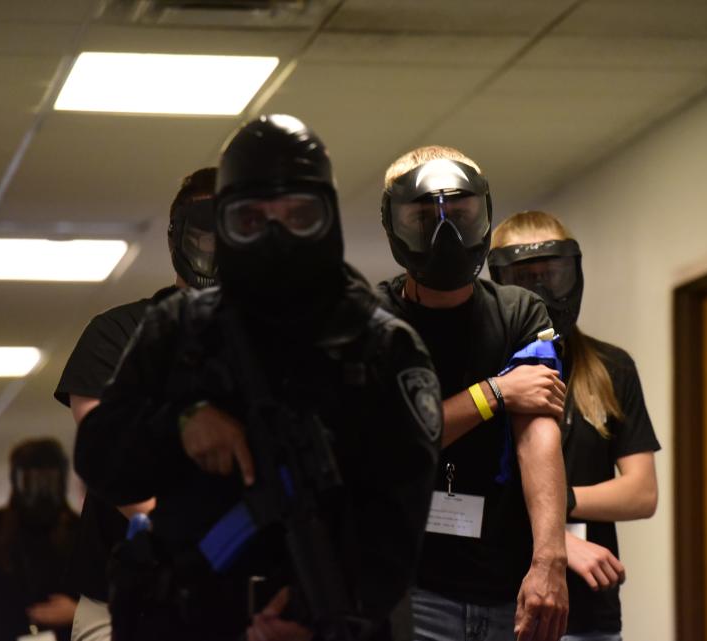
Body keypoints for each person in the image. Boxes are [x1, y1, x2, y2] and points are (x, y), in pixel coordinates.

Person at [73, 114, 440, 641]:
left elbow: (398, 528)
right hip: (188, 615)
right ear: (224, 225)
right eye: (251, 219)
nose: (274, 236)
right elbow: (100, 460)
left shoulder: (382, 347)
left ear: (327, 218)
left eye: (296, 215)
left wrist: (318, 625)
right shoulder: (179, 329)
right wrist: (182, 423)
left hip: (325, 616)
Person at [377, 147, 569, 641]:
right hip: (408, 588)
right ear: (392, 224)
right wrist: (496, 392)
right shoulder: (371, 320)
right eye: (424, 219)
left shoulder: (521, 311)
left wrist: (550, 561)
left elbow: (538, 434)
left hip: (507, 585)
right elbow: (394, 445)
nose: (444, 234)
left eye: (460, 217)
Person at [54, 166, 218, 641]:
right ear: (180, 239)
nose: (216, 251)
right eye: (205, 235)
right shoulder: (118, 334)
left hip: (243, 601)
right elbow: (108, 461)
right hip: (123, 599)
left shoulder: (274, 343)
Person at [488, 211, 661, 641]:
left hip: (589, 610)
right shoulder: (487, 378)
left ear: (574, 274)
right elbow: (467, 501)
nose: (541, 291)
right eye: (525, 280)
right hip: (498, 605)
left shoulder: (611, 369)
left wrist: (555, 504)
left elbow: (641, 493)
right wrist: (559, 543)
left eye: (551, 275)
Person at [0, 438, 80, 641]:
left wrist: (78, 612)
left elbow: (110, 597)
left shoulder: (80, 532)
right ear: (16, 479)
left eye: (48, 478)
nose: (39, 487)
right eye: (30, 478)